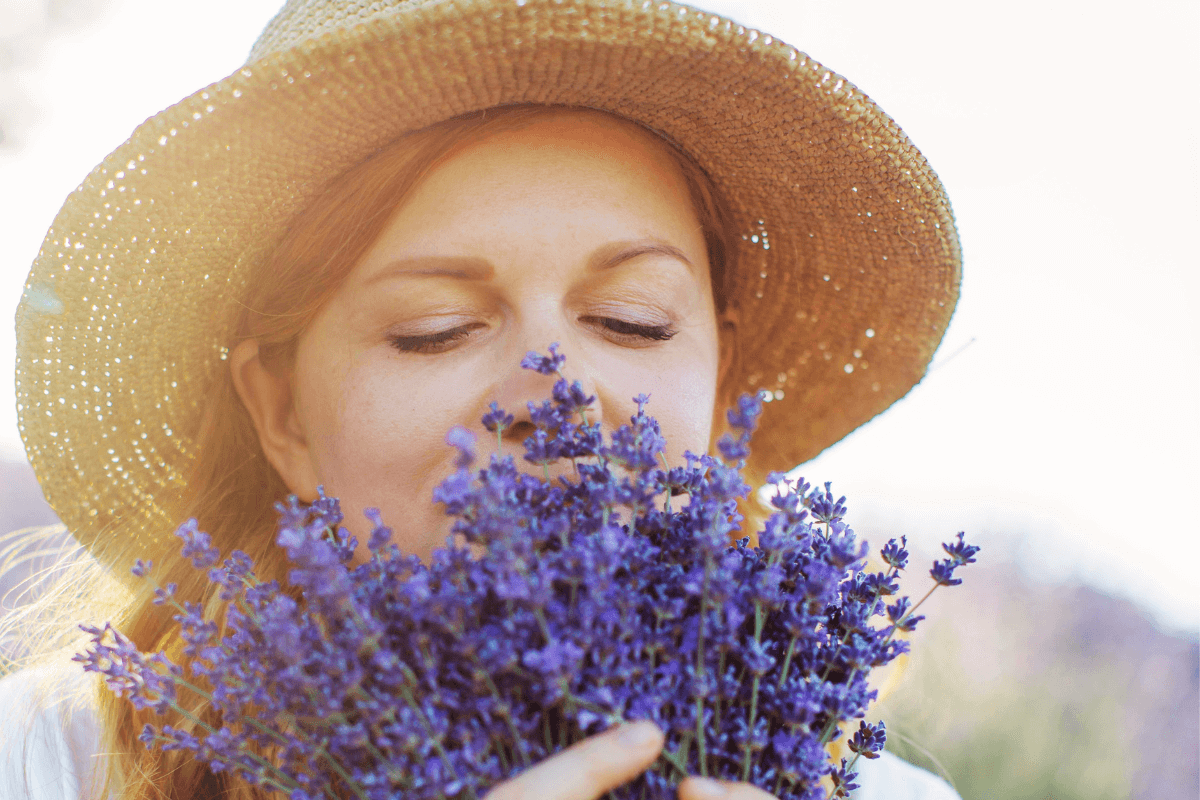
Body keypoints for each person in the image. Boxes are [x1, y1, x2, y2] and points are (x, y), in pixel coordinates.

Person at [1, 1, 963, 798]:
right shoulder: (46, 766)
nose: (556, 397)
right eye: (435, 327)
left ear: (721, 396)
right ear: (281, 413)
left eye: (632, 322)